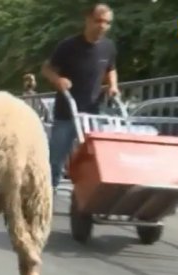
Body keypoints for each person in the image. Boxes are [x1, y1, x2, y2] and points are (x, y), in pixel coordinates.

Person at [41, 3, 120, 192]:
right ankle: (47, 192)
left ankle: (91, 194)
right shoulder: (68, 46)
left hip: (92, 113)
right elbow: (46, 69)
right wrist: (58, 80)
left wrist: (113, 86)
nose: (102, 26)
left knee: (95, 156)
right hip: (67, 111)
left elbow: (111, 69)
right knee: (56, 158)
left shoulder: (108, 47)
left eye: (107, 23)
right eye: (98, 21)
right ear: (88, 20)